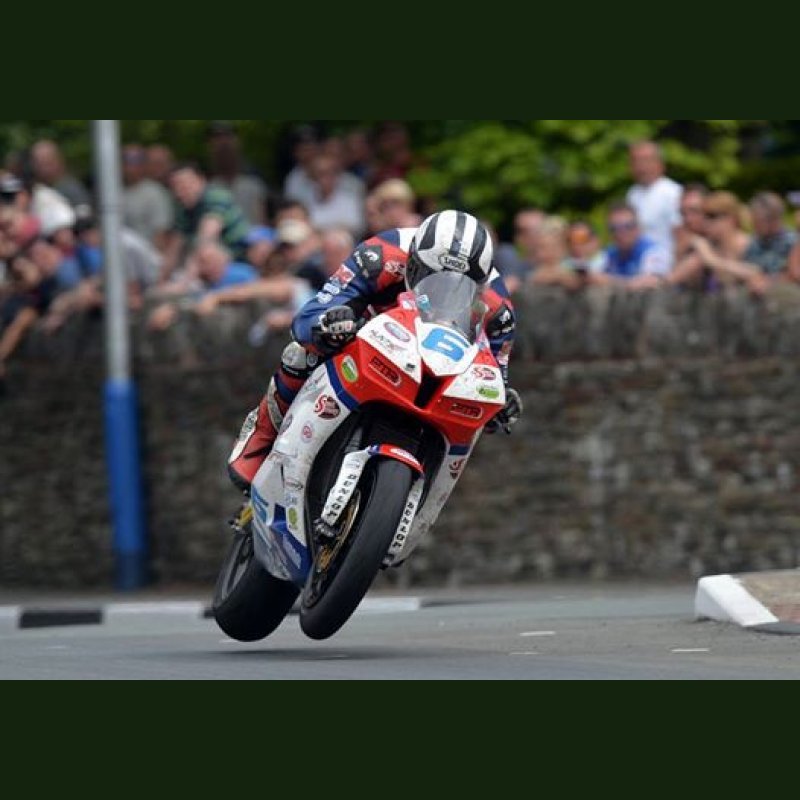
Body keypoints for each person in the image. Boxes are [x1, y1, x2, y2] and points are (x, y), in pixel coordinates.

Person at [227, 210, 523, 494]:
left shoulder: (499, 309)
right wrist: (326, 325)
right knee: (299, 353)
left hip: (437, 361)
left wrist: (500, 404)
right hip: (368, 330)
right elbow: (310, 315)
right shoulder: (380, 253)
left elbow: (496, 371)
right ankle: (262, 435)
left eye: (458, 288)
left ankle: (426, 503)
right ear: (414, 260)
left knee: (472, 421)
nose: (442, 292)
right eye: (432, 277)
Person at [626, 140, 683, 260]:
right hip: (636, 263)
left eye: (646, 160)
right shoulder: (632, 194)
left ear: (660, 163)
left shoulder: (672, 193)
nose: (641, 166)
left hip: (666, 262)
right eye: (636, 161)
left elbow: (681, 234)